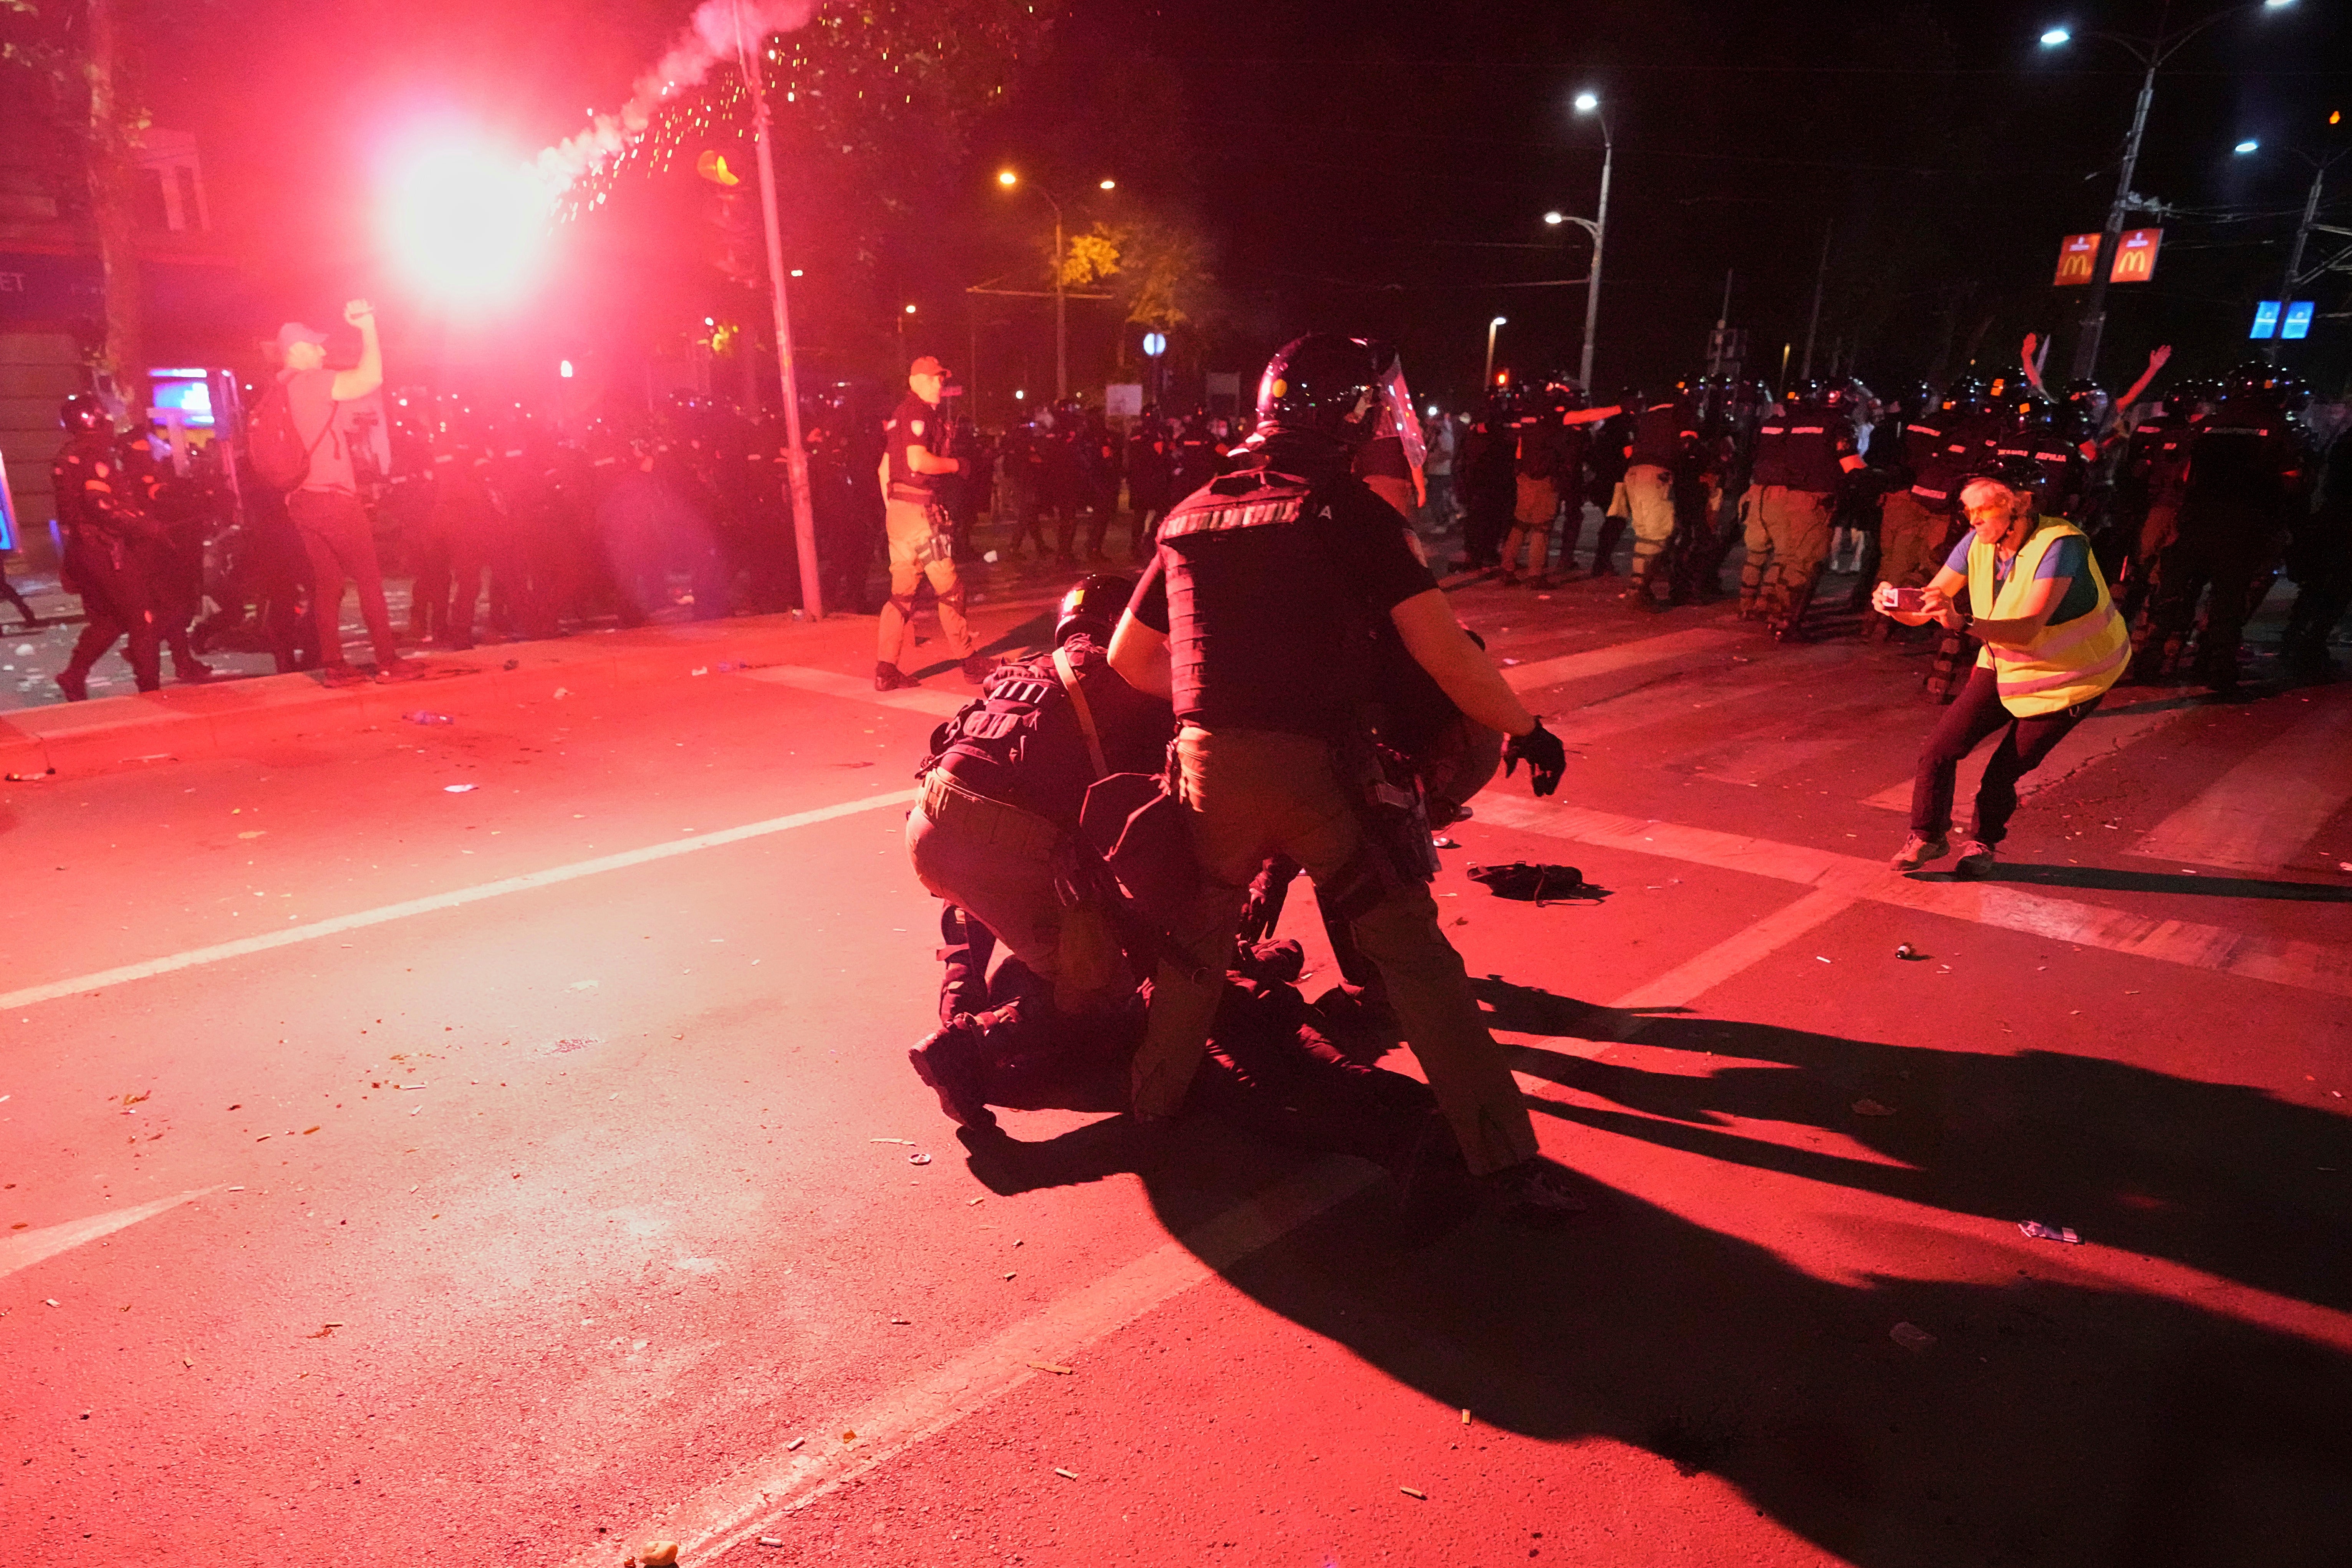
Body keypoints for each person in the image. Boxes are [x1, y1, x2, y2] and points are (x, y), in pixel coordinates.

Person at [1106, 332, 1582, 1228]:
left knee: (1193, 945)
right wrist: (1529, 729)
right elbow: (1442, 654)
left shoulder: (1188, 512)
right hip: (1318, 771)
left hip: (1206, 766)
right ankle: (1505, 1165)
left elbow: (1132, 661)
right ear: (1355, 418)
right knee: (1414, 960)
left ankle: (1149, 1109)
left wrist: (1216, 702)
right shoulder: (1346, 513)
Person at [904, 574, 1174, 1125]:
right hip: (999, 840)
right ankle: (972, 1047)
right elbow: (1155, 844)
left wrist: (966, 969)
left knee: (988, 877)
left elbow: (968, 816)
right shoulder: (1131, 680)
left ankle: (960, 997)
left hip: (926, 822)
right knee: (1107, 994)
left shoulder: (1028, 670)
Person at [1880, 460, 2128, 877]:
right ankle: (1927, 837)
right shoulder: (1978, 542)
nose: (1973, 519)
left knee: (2001, 773)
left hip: (2069, 680)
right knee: (1939, 751)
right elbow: (1930, 605)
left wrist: (1961, 623)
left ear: (2022, 504)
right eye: (1968, 510)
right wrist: (1896, 605)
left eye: (1985, 509)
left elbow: (2029, 627)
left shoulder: (2061, 544)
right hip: (2004, 664)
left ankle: (1982, 843)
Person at [274, 304, 421, 682]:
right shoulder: (311, 382)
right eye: (316, 347)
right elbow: (371, 377)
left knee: (328, 584)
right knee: (370, 579)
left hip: (299, 500)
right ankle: (388, 662)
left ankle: (334, 665)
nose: (323, 353)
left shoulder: (278, 389)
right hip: (332, 499)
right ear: (298, 350)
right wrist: (368, 327)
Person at [876, 356, 986, 690]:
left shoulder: (900, 415)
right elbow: (917, 460)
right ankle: (970, 662)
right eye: (937, 378)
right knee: (950, 588)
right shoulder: (919, 413)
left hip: (900, 513)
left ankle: (886, 670)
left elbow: (884, 471)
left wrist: (896, 510)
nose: (941, 384)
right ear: (919, 381)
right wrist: (956, 465)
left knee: (902, 596)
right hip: (922, 516)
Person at [50, 393, 162, 700]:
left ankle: (74, 674)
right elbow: (100, 504)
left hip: (83, 549)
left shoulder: (69, 453)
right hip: (104, 548)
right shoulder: (92, 453)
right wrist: (142, 525)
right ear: (95, 420)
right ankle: (151, 690)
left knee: (111, 619)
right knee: (142, 617)